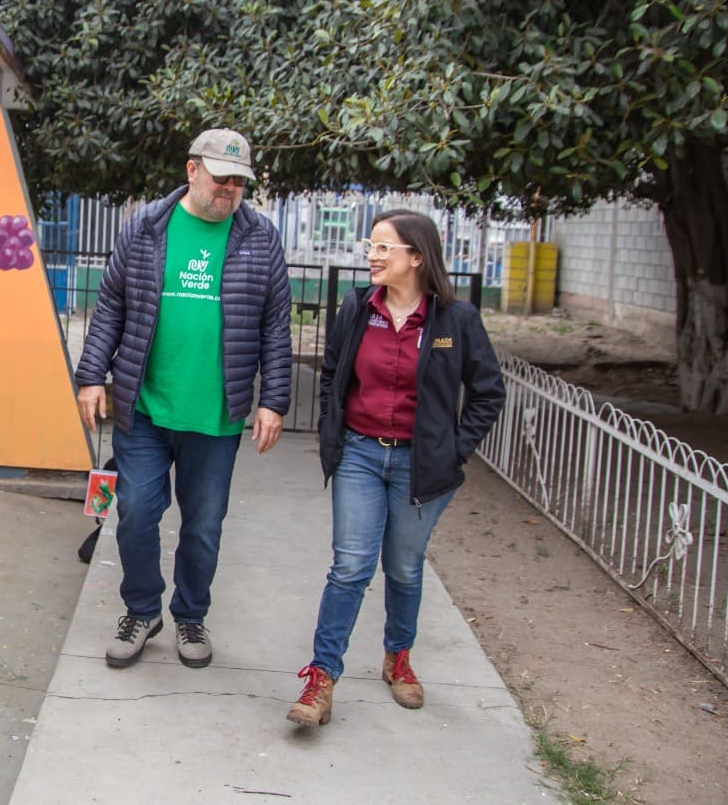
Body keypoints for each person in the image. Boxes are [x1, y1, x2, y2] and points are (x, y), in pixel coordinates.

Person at [75, 128, 292, 670]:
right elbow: (110, 308)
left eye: (239, 182)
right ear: (192, 169)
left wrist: (275, 401)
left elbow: (275, 325)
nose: (230, 190)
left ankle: (191, 614)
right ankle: (142, 609)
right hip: (144, 408)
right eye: (222, 178)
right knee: (136, 513)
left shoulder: (261, 238)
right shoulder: (146, 227)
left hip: (216, 417)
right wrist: (91, 375)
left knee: (203, 525)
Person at [288, 209, 505, 727]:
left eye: (385, 247)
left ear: (416, 256)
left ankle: (398, 658)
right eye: (372, 246)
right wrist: (331, 429)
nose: (373, 256)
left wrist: (456, 448)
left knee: (404, 566)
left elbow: (488, 391)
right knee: (350, 566)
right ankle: (322, 677)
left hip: (422, 463)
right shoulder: (357, 309)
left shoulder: (456, 320)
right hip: (361, 453)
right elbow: (333, 373)